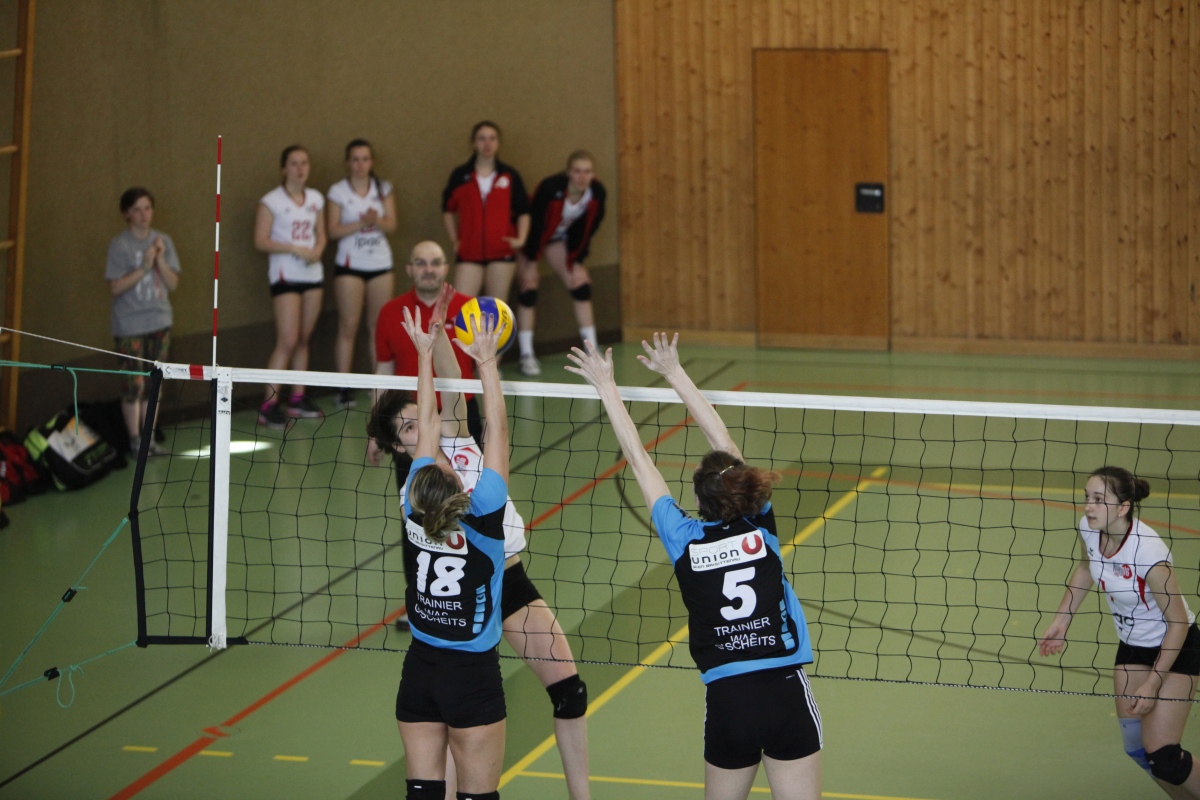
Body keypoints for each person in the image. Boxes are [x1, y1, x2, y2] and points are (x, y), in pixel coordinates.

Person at [565, 334, 822, 800]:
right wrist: (675, 372)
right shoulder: (759, 521)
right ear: (743, 488)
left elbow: (638, 461)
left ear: (698, 502)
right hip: (784, 690)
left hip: (728, 700)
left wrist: (606, 386)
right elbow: (724, 442)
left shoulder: (683, 539)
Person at [368, 285, 591, 800]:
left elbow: (448, 391)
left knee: (570, 691)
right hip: (466, 602)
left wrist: (443, 332)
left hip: (508, 583)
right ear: (399, 445)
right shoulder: (417, 485)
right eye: (405, 428)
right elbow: (468, 417)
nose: (418, 426)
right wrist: (476, 359)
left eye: (416, 417)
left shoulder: (455, 437)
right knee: (451, 726)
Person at [393, 304, 508, 800]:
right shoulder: (484, 512)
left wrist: (423, 356)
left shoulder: (411, 504)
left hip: (419, 671)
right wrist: (486, 362)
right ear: (458, 483)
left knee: (422, 794)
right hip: (472, 677)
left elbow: (426, 423)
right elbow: (496, 431)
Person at [1039, 466, 1200, 797]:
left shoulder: (1148, 553)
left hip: (1177, 646)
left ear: (1123, 507)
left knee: (1164, 757)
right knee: (1139, 751)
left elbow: (1178, 623)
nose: (1089, 506)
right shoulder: (1089, 529)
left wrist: (1153, 683)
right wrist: (1062, 620)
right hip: (1132, 645)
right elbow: (1087, 566)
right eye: (1087, 497)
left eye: (1099, 499)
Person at [372, 241, 481, 487]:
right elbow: (383, 372)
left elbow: (483, 368)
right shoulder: (390, 312)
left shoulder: (469, 309)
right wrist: (376, 432)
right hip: (411, 422)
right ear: (409, 269)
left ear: (446, 268)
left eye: (435, 263)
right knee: (415, 496)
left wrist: (489, 424)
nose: (429, 269)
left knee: (472, 490)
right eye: (421, 263)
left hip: (461, 412)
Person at [514, 150, 607, 377]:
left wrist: (576, 260)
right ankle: (526, 354)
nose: (582, 177)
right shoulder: (550, 189)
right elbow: (535, 225)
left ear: (593, 174)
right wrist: (531, 262)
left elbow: (589, 228)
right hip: (530, 239)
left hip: (557, 239)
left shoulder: (596, 193)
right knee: (529, 288)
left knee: (581, 285)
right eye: (577, 171)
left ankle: (592, 351)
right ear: (568, 173)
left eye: (587, 172)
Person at [254, 144, 327, 428]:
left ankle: (297, 398)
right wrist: (294, 248)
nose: (300, 168)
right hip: (286, 275)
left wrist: (317, 250)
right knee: (287, 339)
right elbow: (260, 240)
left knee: (304, 338)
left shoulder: (316, 198)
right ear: (284, 168)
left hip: (312, 275)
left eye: (304, 163)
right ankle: (269, 404)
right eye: (294, 163)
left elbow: (321, 234)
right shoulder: (271, 201)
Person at [106, 187, 180, 456]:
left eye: (147, 208)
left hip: (159, 321)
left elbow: (173, 283)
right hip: (130, 326)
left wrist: (159, 259)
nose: (143, 215)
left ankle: (149, 437)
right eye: (136, 210)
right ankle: (135, 439)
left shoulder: (163, 241)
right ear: (127, 214)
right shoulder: (120, 245)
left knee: (154, 384)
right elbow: (115, 287)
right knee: (133, 384)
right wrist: (144, 267)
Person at [327, 138, 397, 410]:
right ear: (348, 163)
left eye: (365, 159)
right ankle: (343, 387)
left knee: (377, 326)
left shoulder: (383, 188)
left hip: (380, 263)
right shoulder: (338, 191)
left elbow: (392, 224)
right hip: (350, 264)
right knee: (349, 324)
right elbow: (332, 230)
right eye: (355, 159)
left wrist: (375, 220)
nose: (360, 164)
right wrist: (360, 222)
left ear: (372, 162)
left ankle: (379, 384)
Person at [442, 121, 530, 304]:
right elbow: (447, 209)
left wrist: (521, 239)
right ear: (473, 143)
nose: (487, 144)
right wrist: (455, 240)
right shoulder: (460, 176)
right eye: (482, 139)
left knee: (495, 309)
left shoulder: (509, 175)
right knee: (460, 307)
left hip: (501, 252)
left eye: (492, 138)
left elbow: (523, 211)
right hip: (469, 252)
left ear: (498, 143)